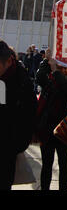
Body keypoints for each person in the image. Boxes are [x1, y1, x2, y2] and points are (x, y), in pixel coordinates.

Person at [35, 53, 67, 190]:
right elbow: (39, 77)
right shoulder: (51, 78)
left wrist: (55, 71)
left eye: (64, 67)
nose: (61, 69)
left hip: (64, 128)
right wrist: (46, 59)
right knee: (47, 165)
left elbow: (66, 89)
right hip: (48, 127)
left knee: (64, 164)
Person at [0, 39, 37, 190]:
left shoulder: (21, 82)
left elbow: (29, 114)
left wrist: (16, 145)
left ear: (8, 61)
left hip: (6, 151)